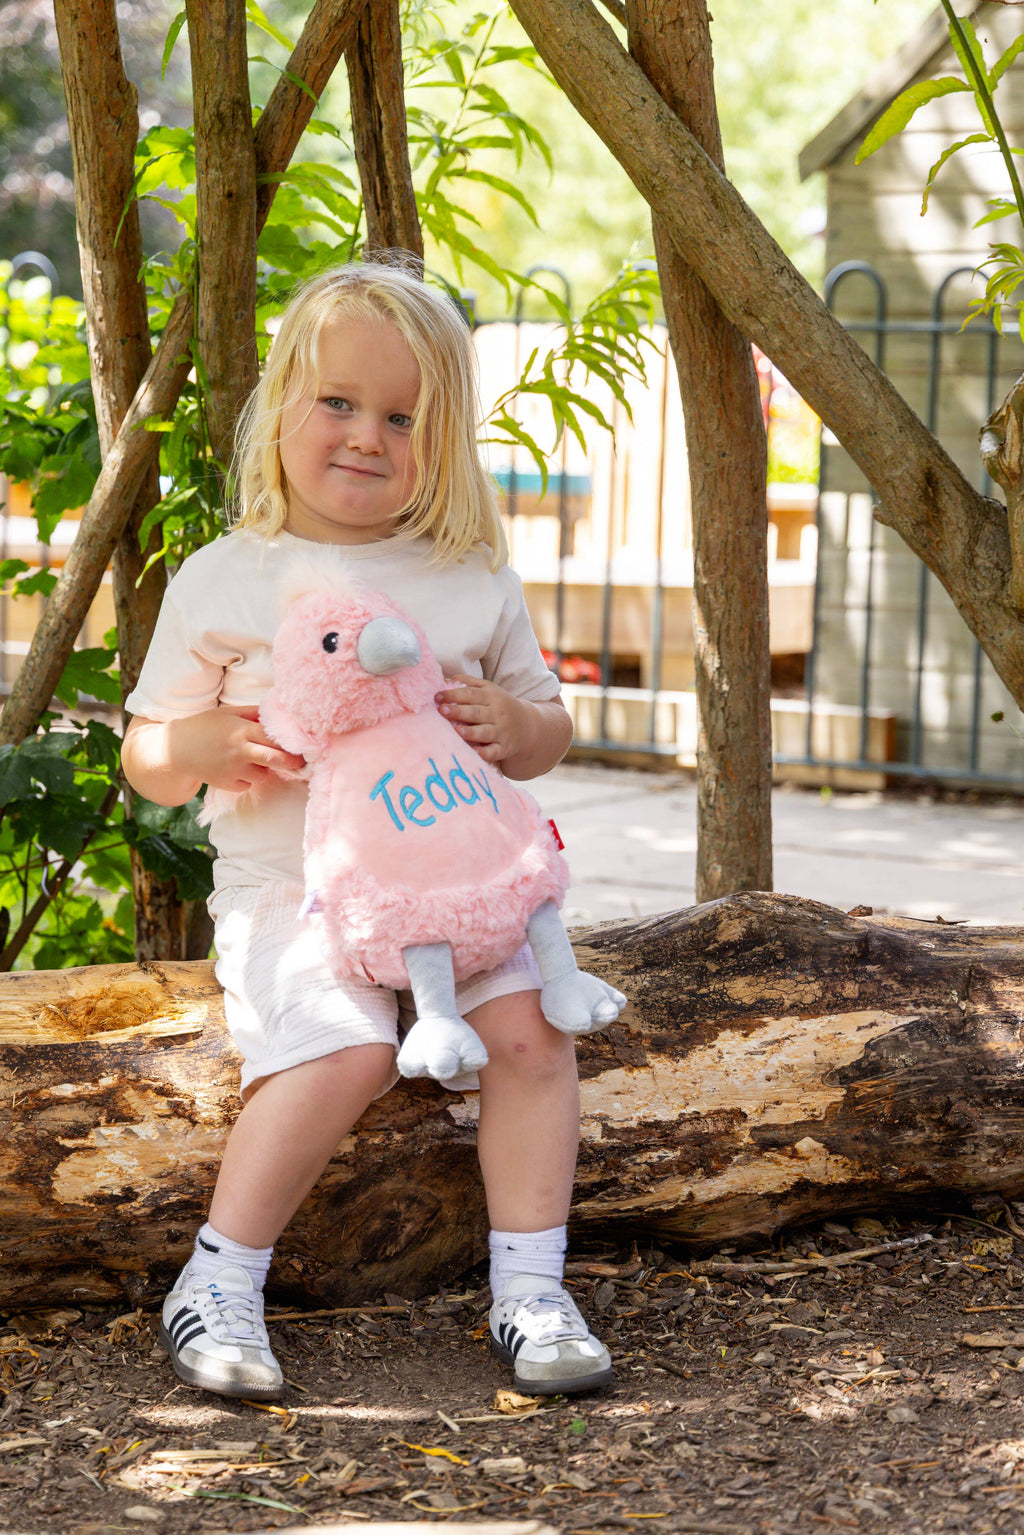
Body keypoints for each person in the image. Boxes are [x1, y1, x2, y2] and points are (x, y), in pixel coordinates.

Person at [121, 259, 620, 1405]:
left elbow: (548, 719)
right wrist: (205, 746)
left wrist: (517, 726)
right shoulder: (228, 578)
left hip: (455, 884)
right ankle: (218, 1277)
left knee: (538, 1031)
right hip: (293, 889)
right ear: (281, 409)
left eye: (403, 416)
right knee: (340, 1046)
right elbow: (145, 756)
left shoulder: (468, 576)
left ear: (441, 441)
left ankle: (531, 1288)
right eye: (338, 403)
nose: (366, 436)